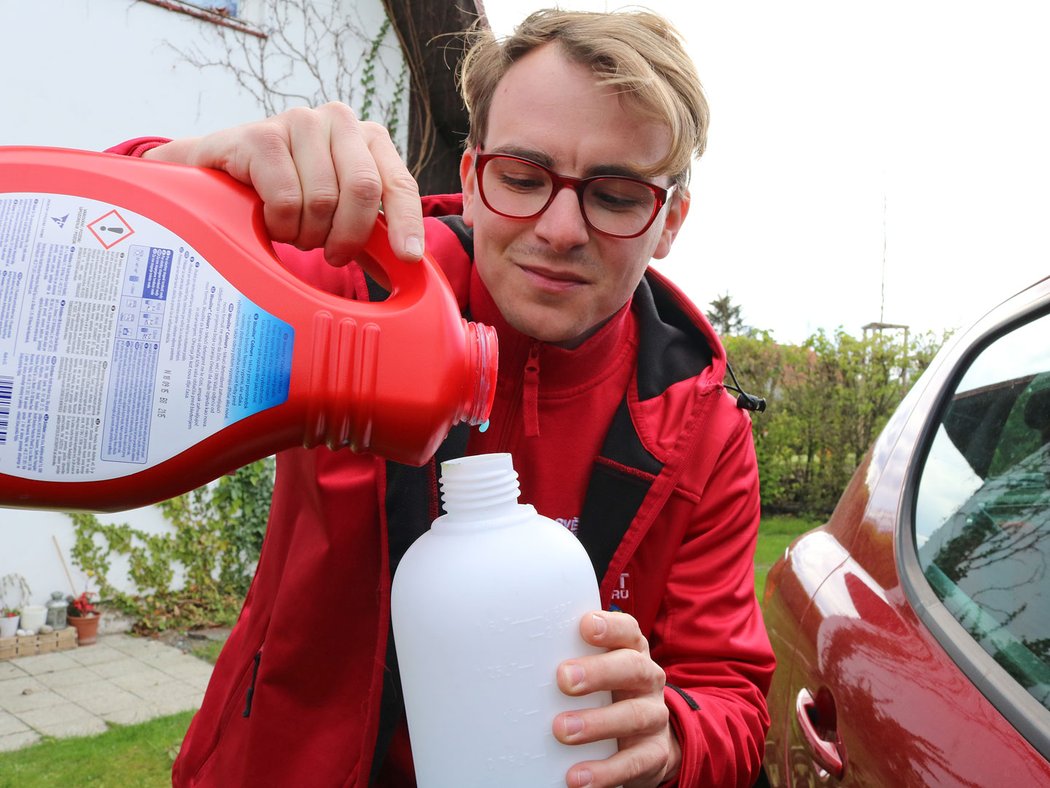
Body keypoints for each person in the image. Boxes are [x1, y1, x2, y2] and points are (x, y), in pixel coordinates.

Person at [111, 9, 775, 787]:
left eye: (618, 196)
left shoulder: (702, 428)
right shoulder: (355, 295)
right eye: (523, 178)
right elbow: (71, 281)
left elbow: (732, 697)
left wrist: (671, 742)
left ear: (669, 222)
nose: (561, 229)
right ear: (469, 180)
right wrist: (177, 175)